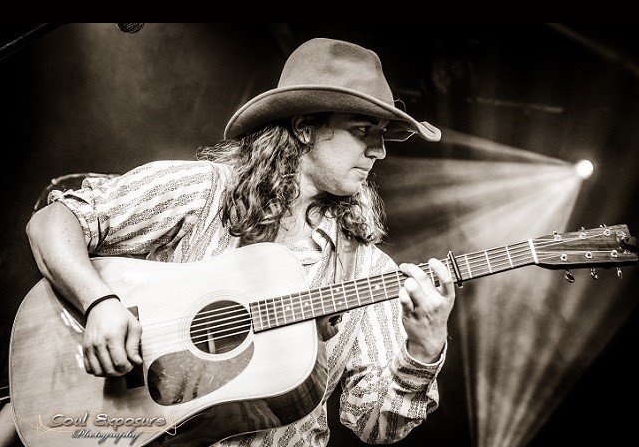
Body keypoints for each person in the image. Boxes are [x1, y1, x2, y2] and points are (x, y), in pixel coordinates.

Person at [25, 37, 455, 446]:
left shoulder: (368, 272)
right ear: (304, 128)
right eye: (363, 129)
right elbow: (52, 222)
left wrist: (423, 349)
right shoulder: (203, 191)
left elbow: (372, 425)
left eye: (382, 133)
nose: (379, 150)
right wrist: (99, 302)